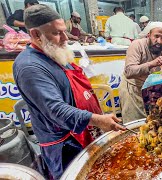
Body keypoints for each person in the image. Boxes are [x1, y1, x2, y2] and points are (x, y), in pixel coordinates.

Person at [13, 5, 125, 179]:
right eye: (57, 33)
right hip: (65, 145)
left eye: (64, 31)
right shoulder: (30, 67)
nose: (65, 38)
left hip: (84, 132)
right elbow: (55, 110)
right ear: (35, 35)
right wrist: (97, 120)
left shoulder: (54, 52)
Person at [119, 22, 162, 123]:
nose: (159, 41)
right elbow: (129, 71)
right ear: (149, 35)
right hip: (132, 90)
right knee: (133, 123)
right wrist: (151, 64)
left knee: (148, 123)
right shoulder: (137, 45)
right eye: (156, 36)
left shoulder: (160, 52)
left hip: (147, 92)